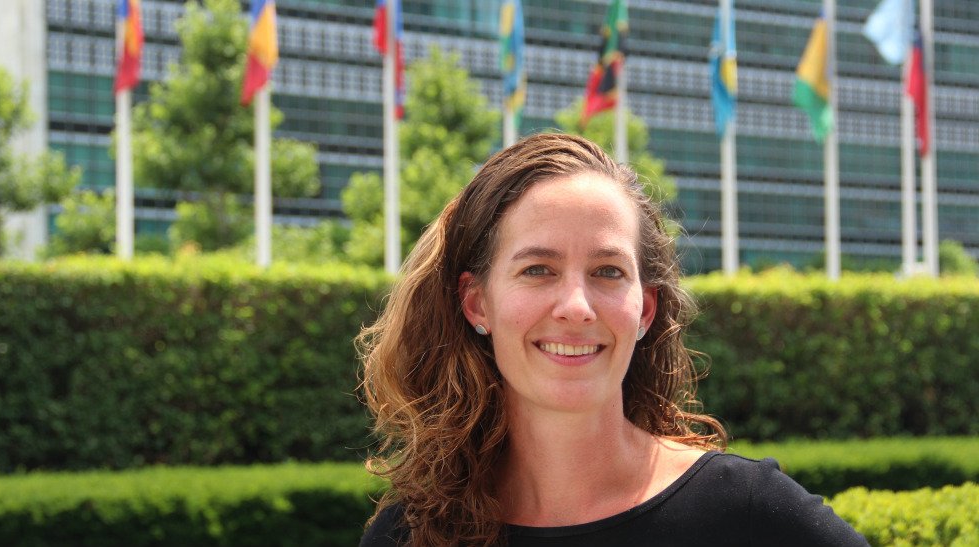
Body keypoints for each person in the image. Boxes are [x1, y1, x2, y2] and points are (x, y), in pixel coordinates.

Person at [358, 133, 867, 546]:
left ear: (645, 309)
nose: (577, 306)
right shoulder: (410, 535)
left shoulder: (753, 516)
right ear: (477, 304)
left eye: (607, 271)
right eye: (538, 269)